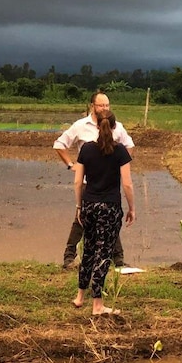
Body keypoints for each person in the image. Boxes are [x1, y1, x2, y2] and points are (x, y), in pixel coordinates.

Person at [54, 91, 135, 269]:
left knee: (110, 218)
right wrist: (71, 165)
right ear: (92, 106)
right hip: (87, 183)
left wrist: (119, 165)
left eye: (107, 105)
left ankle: (117, 259)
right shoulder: (80, 126)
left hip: (108, 182)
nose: (105, 108)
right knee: (82, 219)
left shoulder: (117, 126)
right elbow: (59, 144)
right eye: (101, 105)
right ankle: (69, 257)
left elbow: (130, 146)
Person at [70, 110, 135, 315]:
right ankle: (97, 304)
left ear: (97, 126)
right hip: (110, 207)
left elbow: (78, 182)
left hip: (89, 205)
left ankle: (80, 296)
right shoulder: (121, 152)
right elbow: (127, 184)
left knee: (88, 250)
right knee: (103, 253)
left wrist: (79, 207)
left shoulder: (86, 150)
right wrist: (132, 208)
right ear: (115, 127)